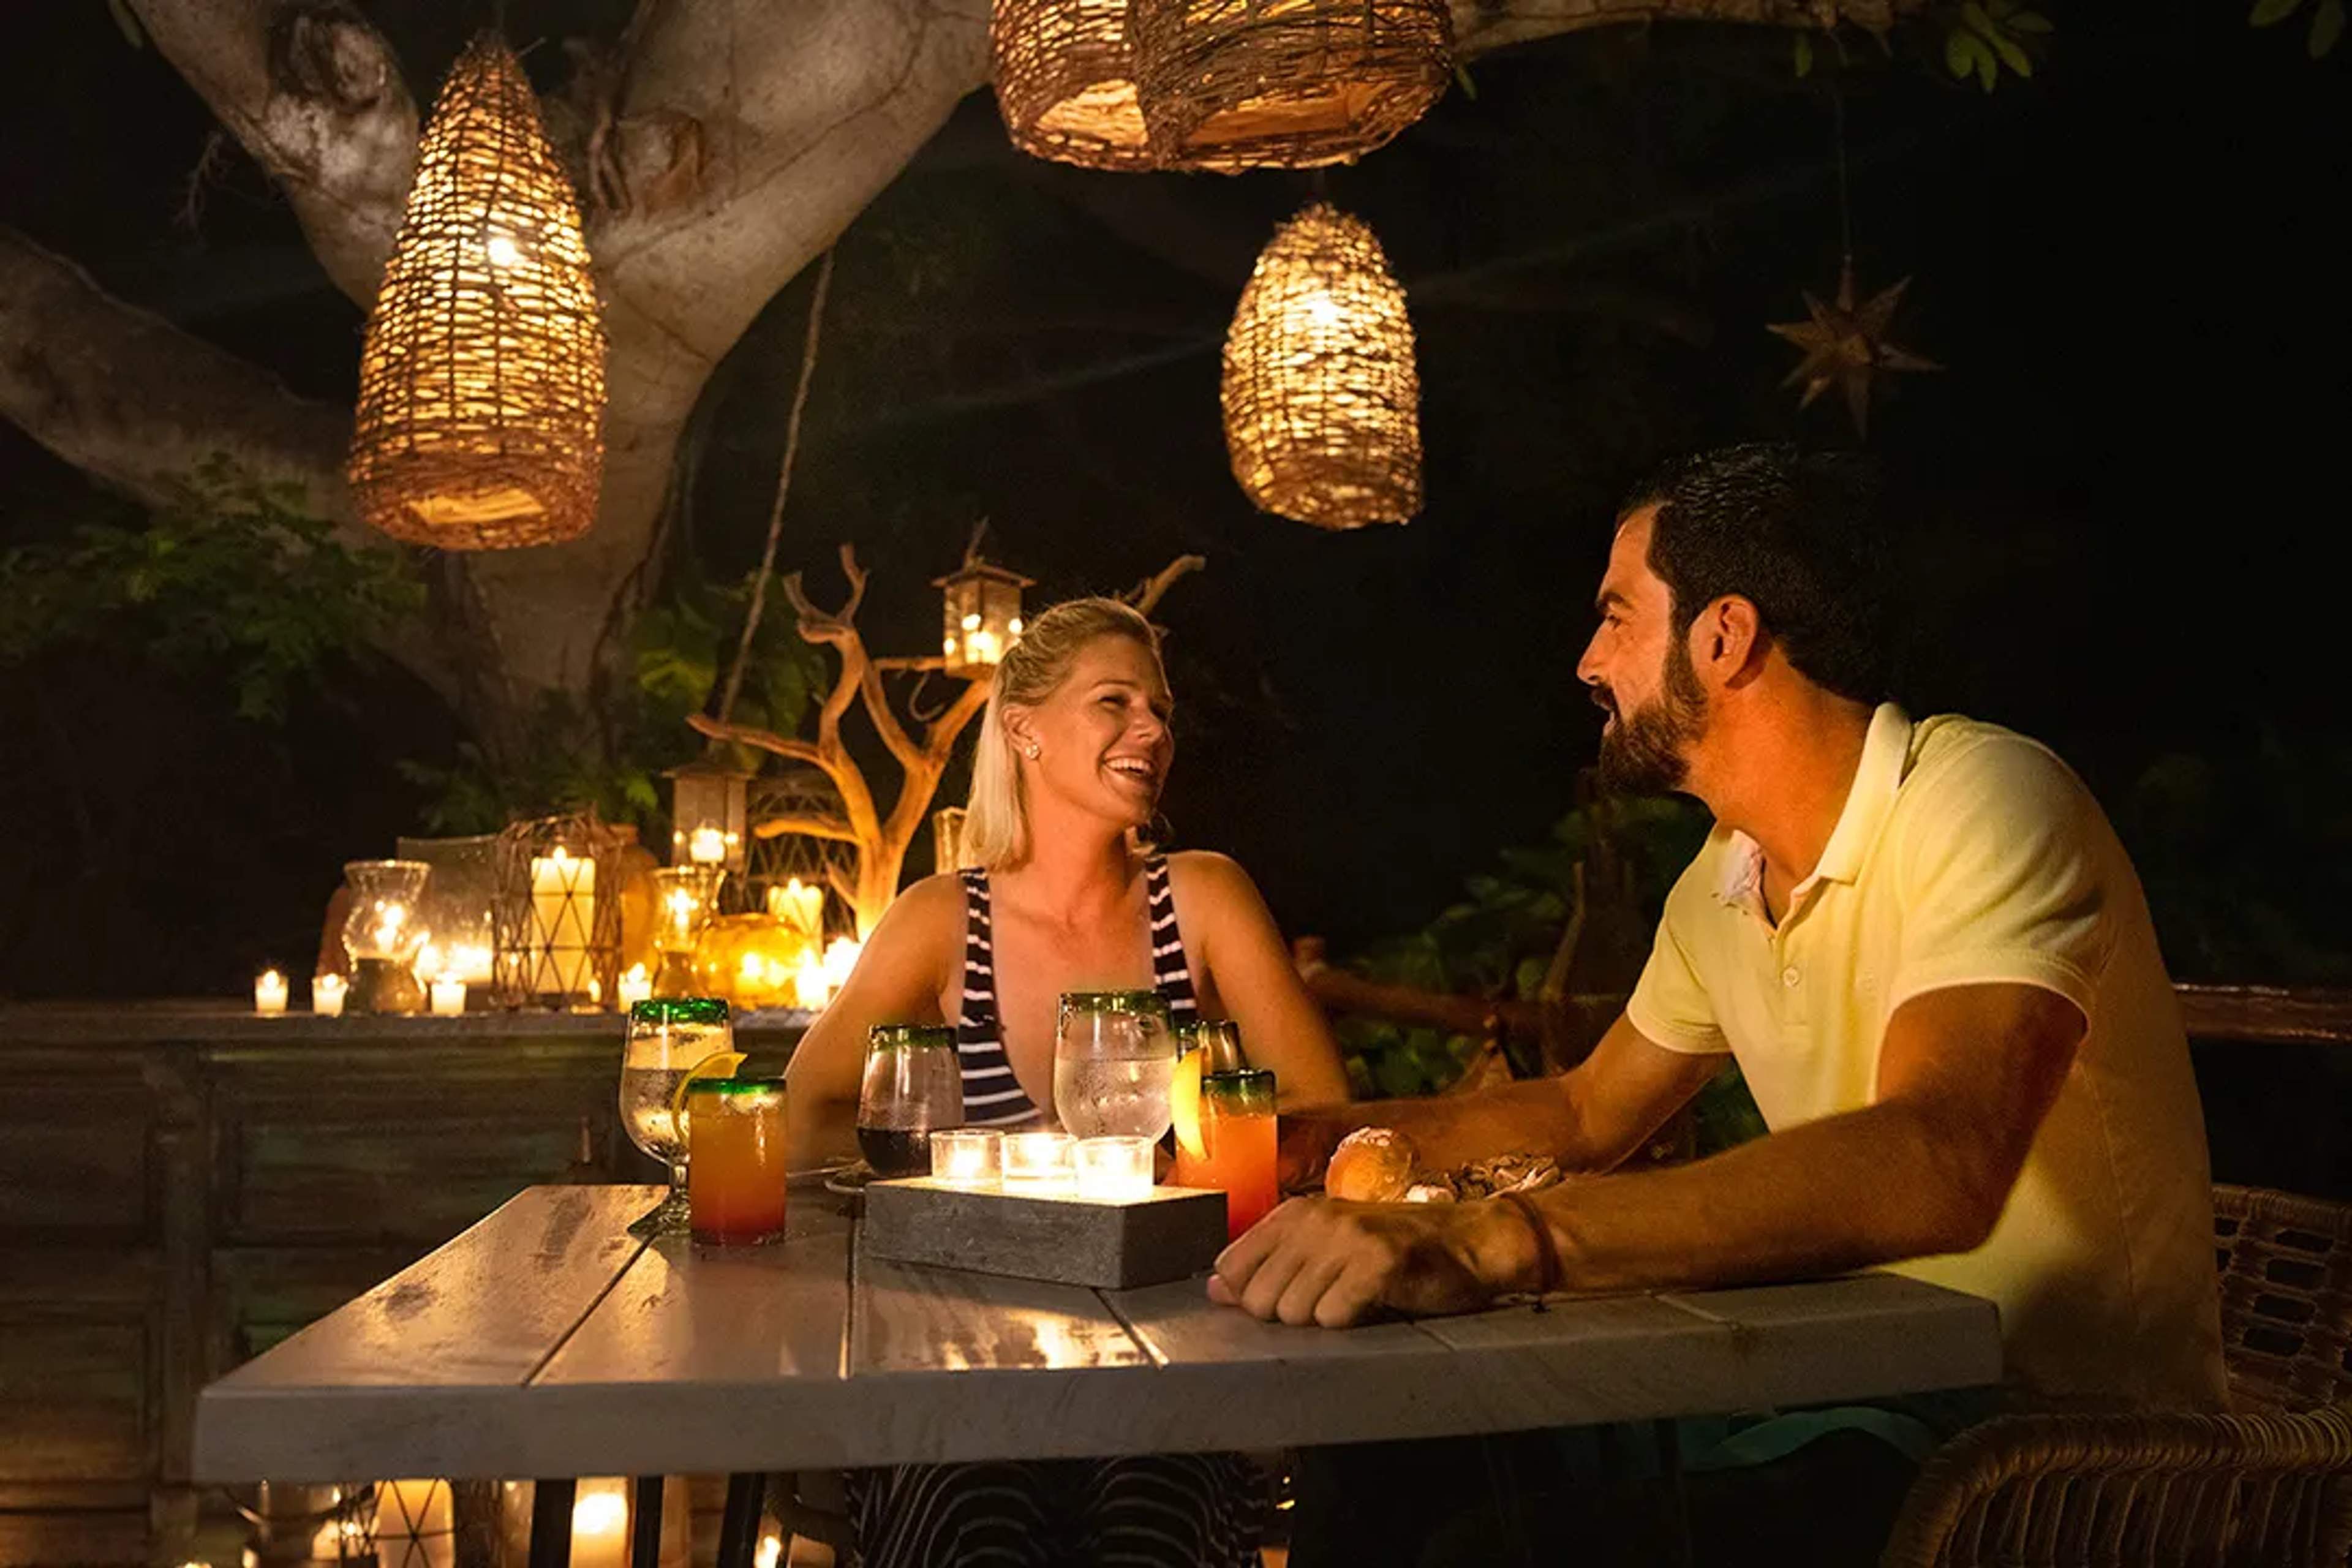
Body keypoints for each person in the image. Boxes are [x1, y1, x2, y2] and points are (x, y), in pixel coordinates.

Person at [1213, 444, 2228, 1561]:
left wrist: (1502, 1239)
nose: (1587, 661)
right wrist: (1294, 1144)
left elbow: (1940, 1155)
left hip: (2047, 1459)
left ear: (1724, 636)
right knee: (1384, 1457)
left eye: (1616, 617)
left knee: (1487, 1551)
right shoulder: (1724, 876)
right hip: (1836, 1385)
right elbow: (1586, 1111)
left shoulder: (1981, 796)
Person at [787, 594, 1350, 1567]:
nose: (1153, 731)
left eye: (1160, 710)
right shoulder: (941, 920)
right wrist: (981, 1170)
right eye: (1115, 703)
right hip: (961, 1353)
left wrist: (1176, 1171)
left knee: (1150, 1521)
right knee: (970, 1514)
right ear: (1024, 730)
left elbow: (1323, 1110)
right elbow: (805, 1116)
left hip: (1171, 1347)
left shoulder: (1201, 896)